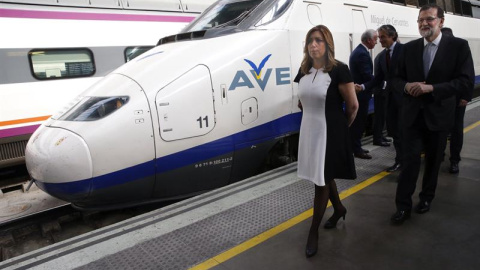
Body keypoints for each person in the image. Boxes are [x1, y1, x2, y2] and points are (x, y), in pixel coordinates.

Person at [390, 4, 475, 224]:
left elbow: (465, 81)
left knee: (434, 161)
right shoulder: (408, 49)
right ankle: (403, 206)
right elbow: (395, 80)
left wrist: (433, 89)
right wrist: (407, 86)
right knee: (409, 162)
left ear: (441, 21)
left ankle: (426, 197)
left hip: (439, 116)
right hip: (412, 117)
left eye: (429, 19)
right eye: (420, 20)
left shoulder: (458, 47)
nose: (424, 23)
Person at [294, 25, 358, 258]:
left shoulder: (339, 70)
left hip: (329, 131)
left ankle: (313, 232)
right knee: (323, 175)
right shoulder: (303, 70)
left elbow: (352, 106)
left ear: (328, 44)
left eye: (319, 40)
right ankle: (339, 208)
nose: (313, 44)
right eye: (310, 40)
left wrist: (341, 127)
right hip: (309, 129)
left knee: (320, 182)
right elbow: (302, 101)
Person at [365, 25, 405, 172]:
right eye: (379, 37)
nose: (379, 40)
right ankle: (400, 160)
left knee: (405, 132)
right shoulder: (382, 57)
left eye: (383, 37)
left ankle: (406, 160)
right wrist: (363, 87)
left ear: (392, 36)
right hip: (391, 101)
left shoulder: (405, 51)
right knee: (395, 133)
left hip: (406, 100)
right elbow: (378, 79)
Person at [440, 27, 473, 174]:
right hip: (441, 98)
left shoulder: (461, 49)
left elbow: (468, 75)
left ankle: (454, 160)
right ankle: (439, 155)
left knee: (456, 129)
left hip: (458, 99)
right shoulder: (437, 51)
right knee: (440, 128)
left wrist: (466, 96)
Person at [349, 29, 381, 160]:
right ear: (369, 40)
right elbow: (367, 75)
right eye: (375, 39)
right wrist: (381, 82)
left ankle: (356, 146)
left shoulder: (359, 51)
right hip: (361, 94)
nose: (377, 41)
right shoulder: (362, 54)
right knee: (359, 122)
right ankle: (356, 149)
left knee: (358, 122)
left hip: (360, 93)